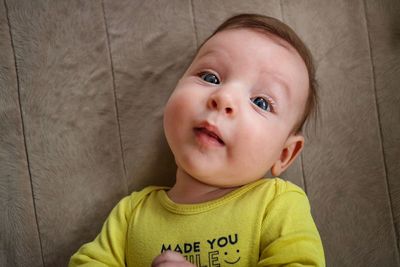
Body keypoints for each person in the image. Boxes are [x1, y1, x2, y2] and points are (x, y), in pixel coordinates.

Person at [69, 13, 325, 267]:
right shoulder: (131, 213)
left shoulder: (277, 204)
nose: (224, 97)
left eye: (260, 102)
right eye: (210, 78)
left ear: (284, 154)